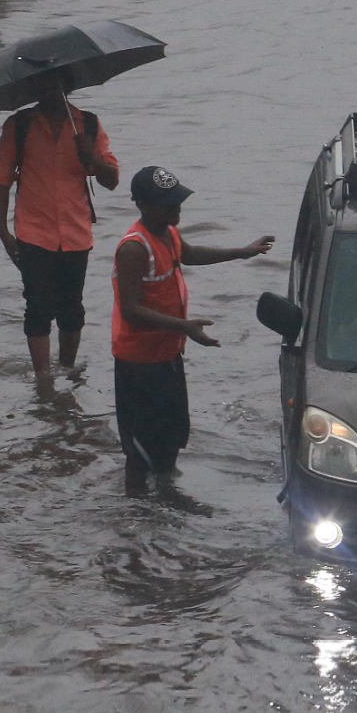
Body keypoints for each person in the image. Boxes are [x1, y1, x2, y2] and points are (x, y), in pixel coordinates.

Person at [112, 165, 274, 492]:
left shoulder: (168, 233)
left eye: (178, 200)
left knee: (171, 434)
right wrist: (184, 326)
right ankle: (135, 511)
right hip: (139, 365)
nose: (177, 208)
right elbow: (131, 311)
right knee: (140, 447)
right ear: (144, 205)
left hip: (168, 356)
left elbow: (191, 254)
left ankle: (167, 498)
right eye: (169, 203)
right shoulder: (133, 248)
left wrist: (242, 252)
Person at [0, 68, 120, 385]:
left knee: (73, 310)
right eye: (43, 84)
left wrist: (92, 156)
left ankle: (68, 369)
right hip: (32, 231)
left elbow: (112, 180)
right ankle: (44, 380)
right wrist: (4, 231)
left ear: (69, 85)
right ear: (34, 88)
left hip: (76, 232)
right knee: (37, 308)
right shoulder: (19, 125)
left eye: (57, 83)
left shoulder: (87, 124)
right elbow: (1, 179)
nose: (50, 90)